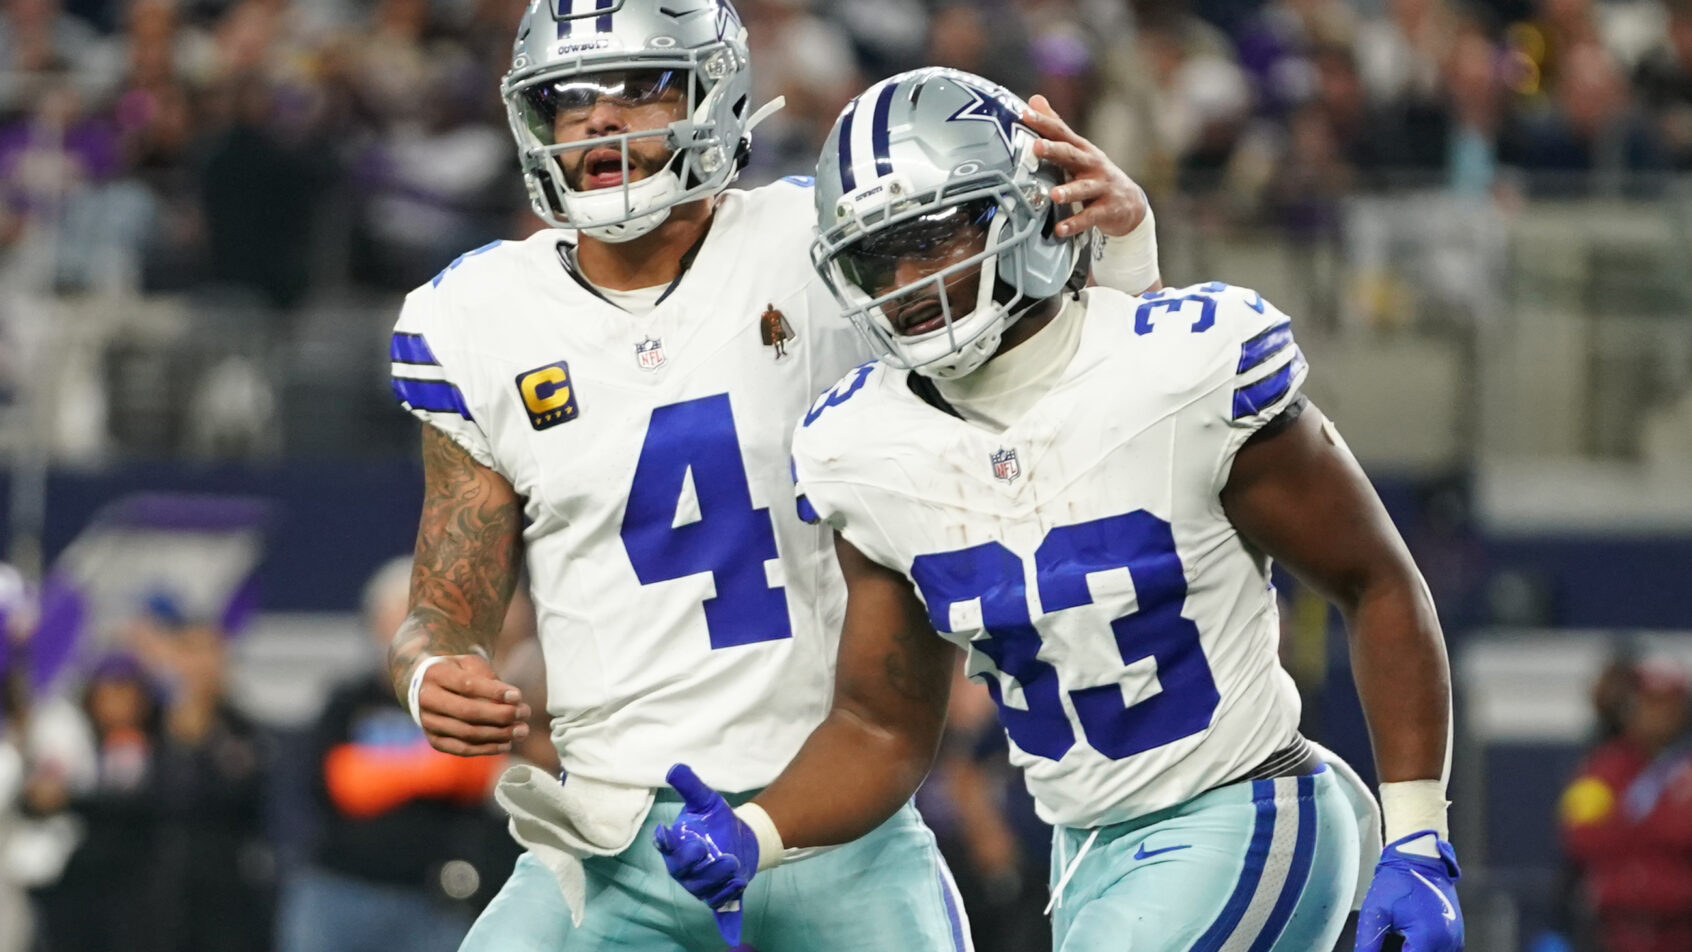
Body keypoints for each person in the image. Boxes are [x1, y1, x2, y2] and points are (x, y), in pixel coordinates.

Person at [383, 2, 1164, 949]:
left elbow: (1060, 384)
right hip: (610, 837)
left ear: (713, 92)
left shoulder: (820, 240)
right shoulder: (478, 315)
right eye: (569, 99)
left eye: (638, 88)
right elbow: (443, 607)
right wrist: (433, 672)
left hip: (838, 814)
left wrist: (1121, 255)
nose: (599, 118)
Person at [653, 68, 1466, 952]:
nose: (910, 280)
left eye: (934, 235)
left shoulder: (1183, 366)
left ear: (1027, 209)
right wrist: (756, 832)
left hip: (1247, 806)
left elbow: (1376, 583)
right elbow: (880, 725)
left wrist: (1418, 836)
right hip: (1084, 854)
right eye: (878, 256)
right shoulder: (861, 447)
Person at [277, 557, 514, 952]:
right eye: (399, 621)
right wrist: (439, 770)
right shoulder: (349, 701)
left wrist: (388, 772)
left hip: (433, 899)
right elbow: (344, 784)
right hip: (340, 890)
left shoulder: (468, 699)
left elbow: (484, 775)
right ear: (376, 627)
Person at [1560, 656, 1692, 952]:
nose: (1657, 714)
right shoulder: (1601, 768)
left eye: (1667, 703)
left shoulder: (1686, 768)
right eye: (1649, 702)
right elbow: (1581, 835)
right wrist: (1663, 831)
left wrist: (1626, 827)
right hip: (1613, 932)